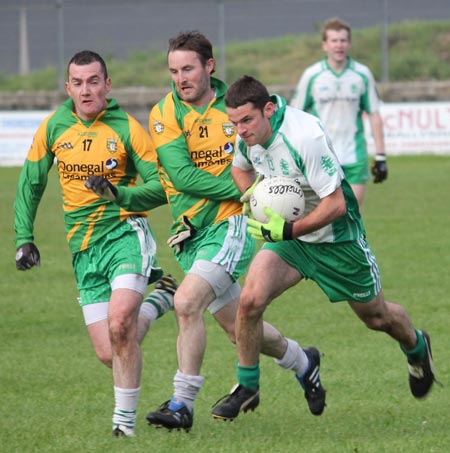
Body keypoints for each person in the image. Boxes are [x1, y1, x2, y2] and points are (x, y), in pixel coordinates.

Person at [211, 75, 435, 420]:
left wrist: (288, 227)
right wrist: (256, 199)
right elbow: (239, 170)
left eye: (247, 120)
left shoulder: (305, 137)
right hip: (292, 241)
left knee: (377, 317)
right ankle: (247, 385)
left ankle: (417, 346)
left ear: (268, 109)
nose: (240, 130)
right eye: (234, 123)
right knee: (250, 302)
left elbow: (336, 205)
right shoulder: (246, 139)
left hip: (337, 239)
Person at [144, 31, 325, 433]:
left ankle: (182, 403)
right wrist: (253, 190)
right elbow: (182, 176)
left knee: (186, 301)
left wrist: (257, 197)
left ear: (209, 66)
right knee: (239, 328)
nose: (180, 78)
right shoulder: (164, 114)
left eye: (187, 68)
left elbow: (276, 153)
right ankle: (303, 361)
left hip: (233, 225)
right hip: (190, 232)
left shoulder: (237, 108)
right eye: (173, 70)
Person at [14, 50, 178, 437]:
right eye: (78, 82)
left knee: (120, 324)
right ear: (68, 86)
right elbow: (31, 182)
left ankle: (123, 427)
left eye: (93, 81)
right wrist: (24, 238)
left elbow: (161, 186)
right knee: (110, 350)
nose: (86, 90)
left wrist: (118, 193)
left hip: (125, 234)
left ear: (107, 85)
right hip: (83, 249)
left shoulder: (127, 129)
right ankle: (158, 303)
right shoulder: (55, 126)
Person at [290, 17, 387, 210]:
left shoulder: (362, 74)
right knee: (323, 215)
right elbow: (295, 115)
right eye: (334, 41)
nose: (339, 45)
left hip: (354, 156)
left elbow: (374, 115)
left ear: (348, 43)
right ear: (325, 45)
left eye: (343, 40)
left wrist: (381, 156)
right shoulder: (313, 75)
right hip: (321, 155)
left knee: (353, 213)